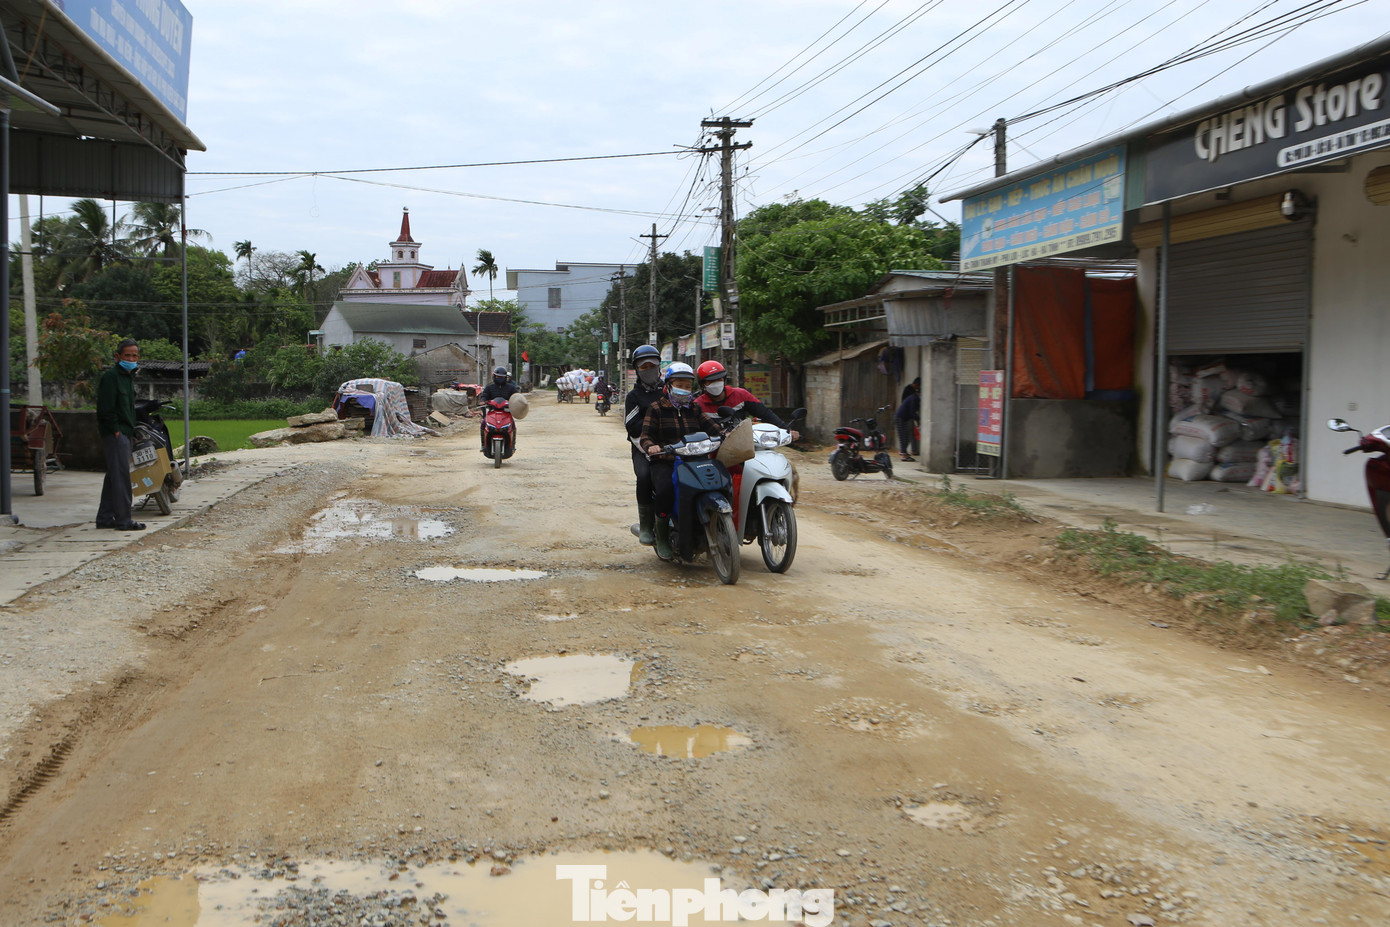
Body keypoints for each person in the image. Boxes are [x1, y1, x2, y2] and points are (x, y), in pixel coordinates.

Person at [639, 361, 716, 561]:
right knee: (665, 490)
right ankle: (662, 536)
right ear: (669, 385)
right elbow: (645, 436)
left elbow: (713, 427)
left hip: (693, 460)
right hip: (666, 460)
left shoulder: (695, 409)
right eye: (680, 385)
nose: (684, 389)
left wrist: (728, 433)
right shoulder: (656, 408)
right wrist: (652, 447)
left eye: (688, 386)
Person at [95, 339, 145, 531]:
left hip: (125, 432)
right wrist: (116, 431)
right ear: (118, 357)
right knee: (122, 477)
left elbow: (127, 409)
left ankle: (105, 518)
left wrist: (129, 432)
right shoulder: (111, 377)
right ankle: (124, 520)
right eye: (127, 355)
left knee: (113, 476)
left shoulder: (128, 376)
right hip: (115, 434)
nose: (131, 359)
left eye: (134, 356)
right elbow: (105, 410)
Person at [623, 345, 666, 547]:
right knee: (645, 477)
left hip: (670, 445)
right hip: (642, 448)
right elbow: (632, 426)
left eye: (652, 365)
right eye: (644, 366)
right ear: (637, 370)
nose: (648, 369)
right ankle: (647, 526)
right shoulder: (634, 396)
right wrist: (657, 424)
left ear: (659, 366)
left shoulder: (670, 390)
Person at [693, 360, 798, 440]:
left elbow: (765, 414)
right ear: (702, 384)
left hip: (744, 443)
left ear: (724, 379)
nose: (716, 383)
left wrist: (787, 431)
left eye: (719, 379)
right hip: (714, 449)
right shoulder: (697, 405)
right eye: (711, 381)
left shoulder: (741, 395)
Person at [479, 366, 520, 451]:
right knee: (483, 424)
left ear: (505, 378)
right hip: (492, 412)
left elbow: (516, 397)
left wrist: (517, 402)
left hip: (506, 412)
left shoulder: (511, 388)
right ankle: (483, 445)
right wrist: (483, 401)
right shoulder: (489, 387)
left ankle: (512, 445)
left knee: (513, 425)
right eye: (498, 377)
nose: (500, 378)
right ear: (494, 376)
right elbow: (484, 396)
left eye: (502, 377)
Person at [895, 380, 920, 462]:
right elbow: (912, 412)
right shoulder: (914, 398)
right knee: (903, 436)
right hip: (900, 417)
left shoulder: (914, 398)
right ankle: (903, 455)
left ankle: (904, 452)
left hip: (904, 418)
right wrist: (918, 420)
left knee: (907, 436)